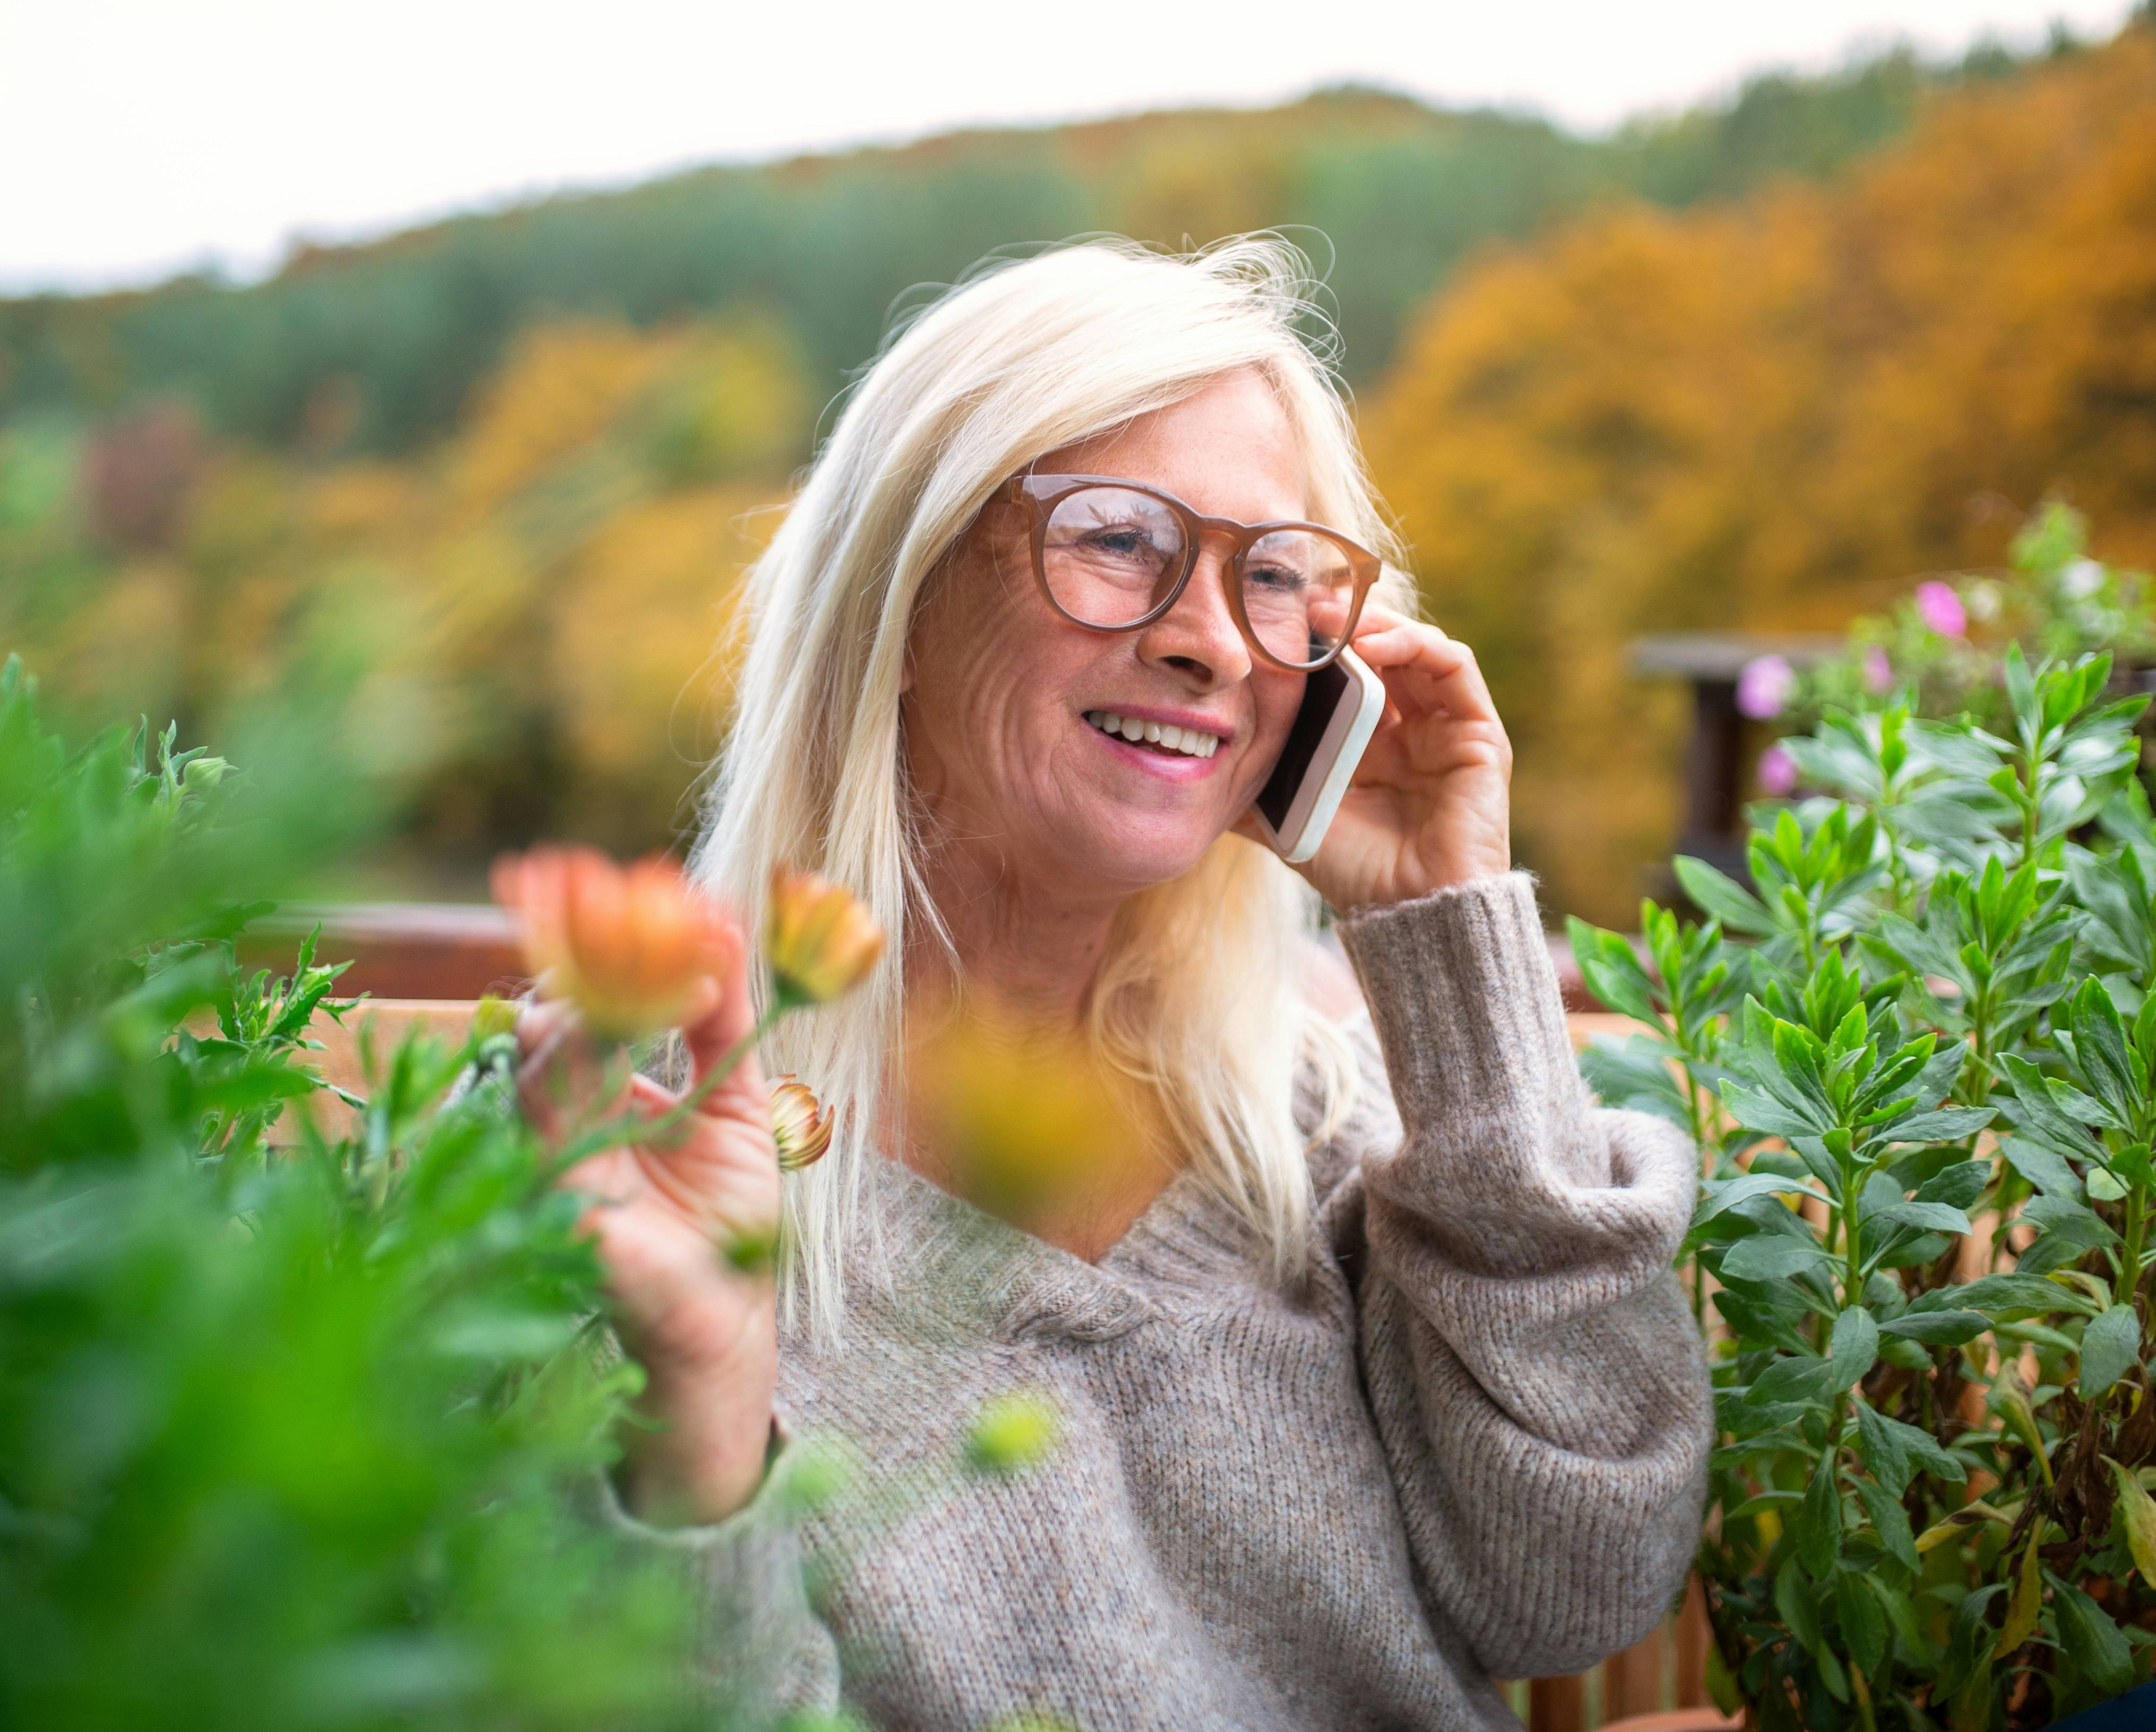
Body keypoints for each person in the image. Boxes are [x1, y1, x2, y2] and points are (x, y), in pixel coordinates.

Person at [517, 237, 1712, 1730]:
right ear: (899, 596)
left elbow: (1578, 1589)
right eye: (1116, 538)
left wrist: (1447, 930)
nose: (1212, 639)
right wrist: (695, 1410)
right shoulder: (655, 1155)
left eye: (1275, 573)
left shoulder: (1326, 1130)